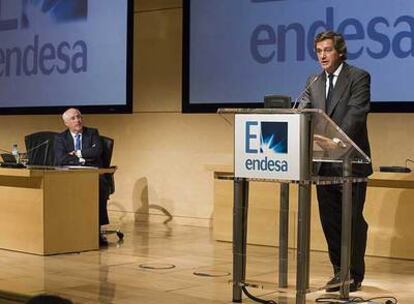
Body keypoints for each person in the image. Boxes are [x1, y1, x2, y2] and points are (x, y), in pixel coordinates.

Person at [301, 31, 373, 292]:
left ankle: (354, 274)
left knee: (351, 221)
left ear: (340, 52)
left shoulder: (358, 77)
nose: (322, 55)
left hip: (350, 163)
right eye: (319, 50)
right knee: (330, 221)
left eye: (327, 50)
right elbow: (305, 112)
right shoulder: (313, 81)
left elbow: (357, 114)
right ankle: (338, 272)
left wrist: (337, 140)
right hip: (323, 164)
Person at [54, 108, 110, 246]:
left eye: (79, 117)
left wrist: (77, 153)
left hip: (92, 174)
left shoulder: (92, 133)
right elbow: (61, 159)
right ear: (66, 123)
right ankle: (64, 228)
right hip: (69, 174)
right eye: (73, 118)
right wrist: (83, 159)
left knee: (99, 186)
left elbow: (96, 152)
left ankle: (97, 228)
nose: (77, 120)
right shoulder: (60, 138)